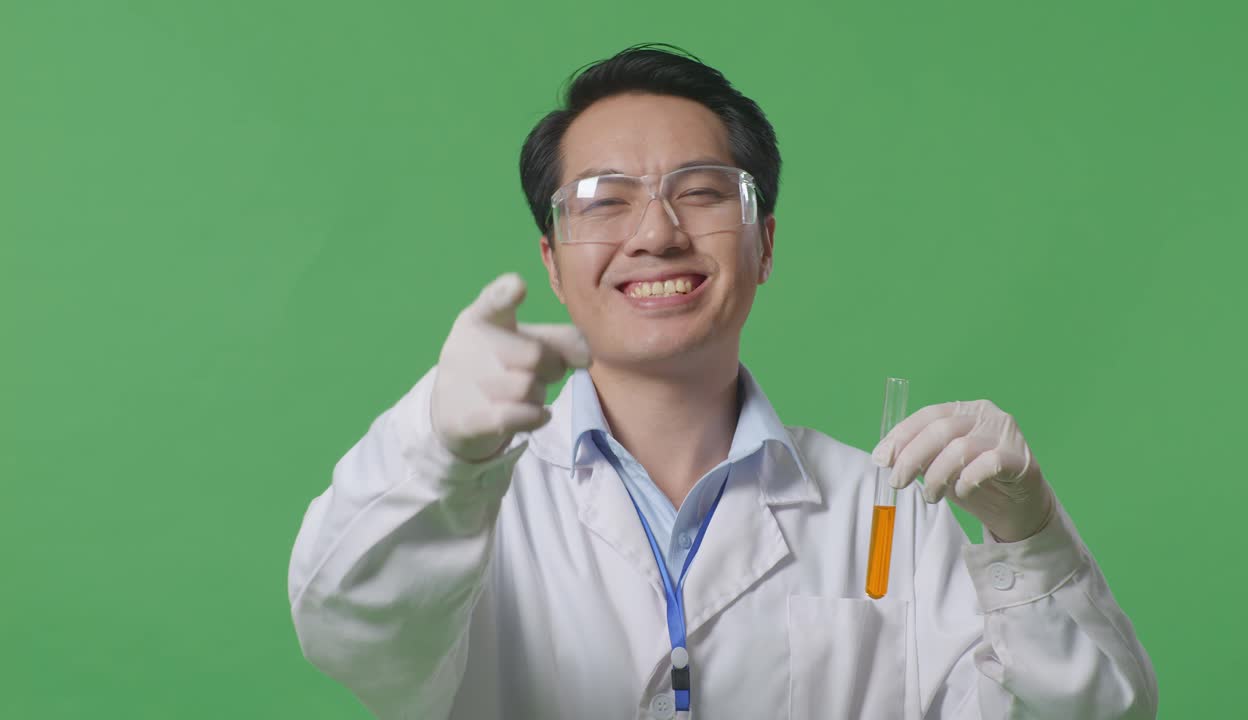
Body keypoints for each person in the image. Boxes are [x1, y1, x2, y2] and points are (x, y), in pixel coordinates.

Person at [287, 44, 1158, 719]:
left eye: (701, 191)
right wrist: (438, 450)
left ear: (764, 245)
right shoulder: (471, 507)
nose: (657, 232)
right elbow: (350, 633)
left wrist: (1028, 537)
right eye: (604, 197)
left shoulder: (887, 513)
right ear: (553, 263)